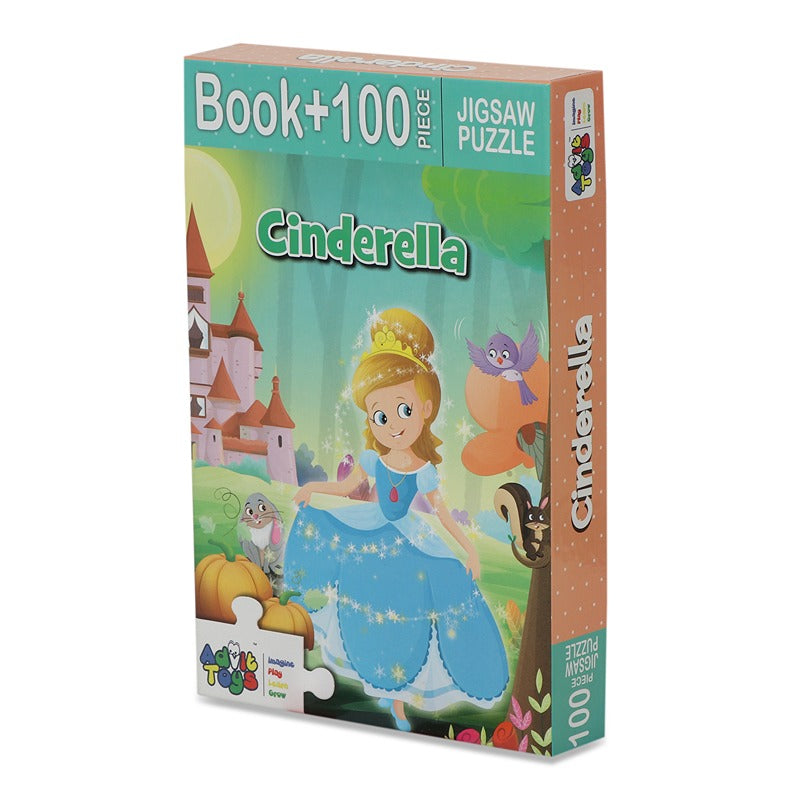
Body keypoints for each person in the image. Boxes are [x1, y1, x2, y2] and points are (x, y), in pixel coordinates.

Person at [286, 308, 508, 731]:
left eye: (403, 410)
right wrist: (314, 490)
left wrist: (470, 549)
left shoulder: (423, 470)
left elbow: (443, 515)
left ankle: (400, 701)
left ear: (425, 408)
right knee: (367, 609)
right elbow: (347, 488)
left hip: (410, 541)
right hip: (371, 531)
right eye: (380, 416)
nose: (391, 425)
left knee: (409, 618)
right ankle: (377, 684)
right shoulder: (373, 459)